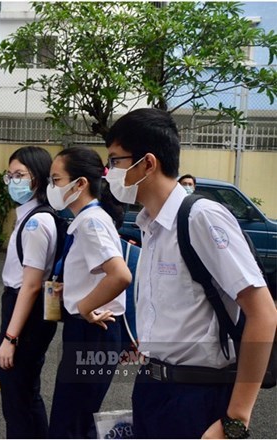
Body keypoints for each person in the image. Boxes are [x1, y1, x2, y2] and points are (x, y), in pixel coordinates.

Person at [105, 108, 277, 439]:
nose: (109, 172)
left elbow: (265, 313)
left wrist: (236, 420)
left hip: (197, 398)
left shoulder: (201, 218)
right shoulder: (150, 226)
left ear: (148, 164)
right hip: (153, 389)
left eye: (115, 161)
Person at [46, 146, 132, 438]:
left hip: (93, 330)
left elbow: (120, 275)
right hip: (89, 331)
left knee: (69, 423)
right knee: (74, 418)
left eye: (56, 180)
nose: (52, 188)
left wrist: (83, 307)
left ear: (79, 183)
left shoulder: (92, 222)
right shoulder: (86, 219)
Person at [0, 146, 59, 439]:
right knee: (26, 396)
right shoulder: (31, 216)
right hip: (28, 311)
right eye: (10, 175)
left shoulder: (36, 222)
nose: (13, 181)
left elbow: (32, 284)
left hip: (26, 312)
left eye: (20, 175)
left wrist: (10, 338)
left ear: (39, 178)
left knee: (18, 400)